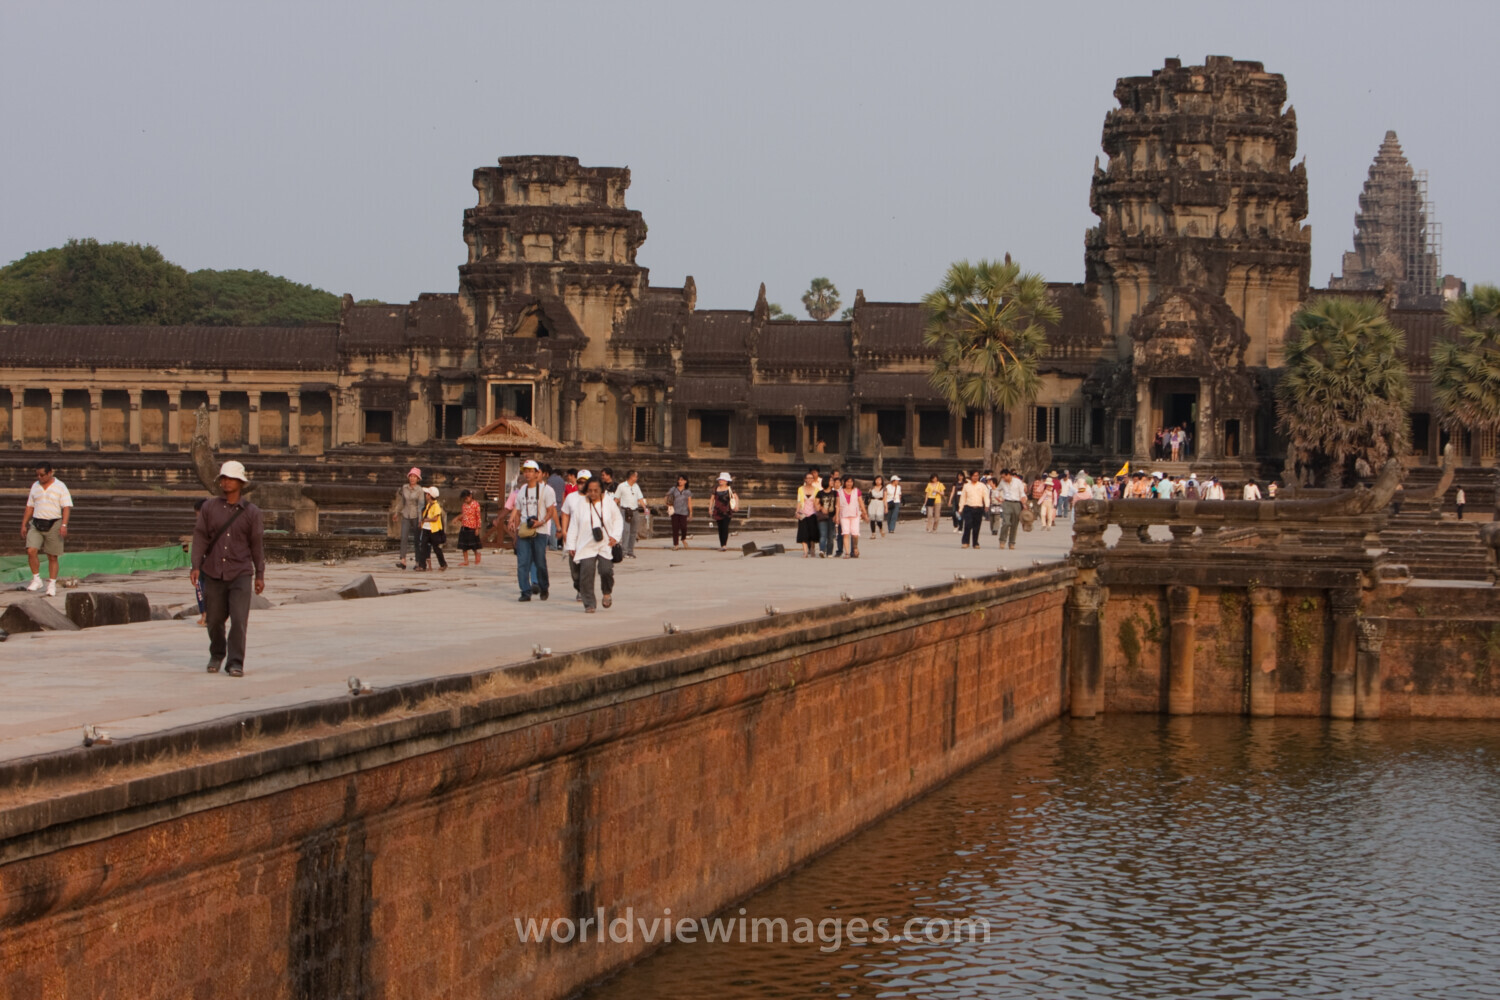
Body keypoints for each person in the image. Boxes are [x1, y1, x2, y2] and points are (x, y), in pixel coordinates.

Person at [189, 460, 265, 677]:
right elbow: (200, 537)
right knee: (213, 620)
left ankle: (235, 662)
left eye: (231, 478)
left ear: (240, 483)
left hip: (240, 571)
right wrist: (195, 566)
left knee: (239, 620)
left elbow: (256, 545)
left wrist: (260, 574)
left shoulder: (251, 512)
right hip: (213, 571)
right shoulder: (209, 508)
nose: (226, 482)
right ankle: (217, 652)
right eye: (223, 478)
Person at [565, 477, 623, 613]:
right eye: (590, 491)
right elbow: (574, 524)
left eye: (596, 490)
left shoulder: (608, 502)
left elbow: (618, 520)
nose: (593, 493)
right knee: (586, 574)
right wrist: (571, 545)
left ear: (601, 490)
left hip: (605, 544)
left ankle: (607, 592)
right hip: (586, 544)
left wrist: (615, 536)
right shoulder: (581, 503)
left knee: (606, 570)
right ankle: (589, 603)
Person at [21, 461, 73, 597]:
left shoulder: (60, 486)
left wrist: (64, 525)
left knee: (52, 556)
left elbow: (66, 507)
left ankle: (51, 584)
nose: (40, 477)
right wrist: (23, 524)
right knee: (31, 550)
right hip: (37, 522)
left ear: (50, 473)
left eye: (42, 475)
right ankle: (36, 578)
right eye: (37, 475)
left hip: (54, 522)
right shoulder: (35, 486)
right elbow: (30, 506)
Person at [510, 460, 556, 602]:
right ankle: (525, 590)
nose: (528, 474)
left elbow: (550, 511)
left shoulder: (546, 490)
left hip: (540, 530)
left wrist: (541, 522)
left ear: (537, 473)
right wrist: (515, 528)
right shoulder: (522, 489)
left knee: (540, 561)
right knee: (522, 562)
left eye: (531, 471)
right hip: (524, 530)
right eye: (526, 471)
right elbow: (518, 511)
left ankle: (543, 586)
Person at [389, 467, 424, 569]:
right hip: (406, 514)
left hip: (416, 515)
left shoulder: (420, 490)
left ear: (418, 479)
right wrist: (396, 512)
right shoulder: (404, 488)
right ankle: (403, 560)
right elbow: (402, 502)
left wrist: (420, 519)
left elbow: (421, 505)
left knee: (417, 540)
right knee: (404, 537)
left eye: (414, 477)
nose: (412, 479)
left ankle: (418, 562)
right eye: (411, 476)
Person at [614, 469, 645, 557]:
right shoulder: (621, 486)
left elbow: (640, 498)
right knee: (626, 530)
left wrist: (645, 507)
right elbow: (616, 499)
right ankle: (624, 551)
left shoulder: (636, 486)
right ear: (631, 477)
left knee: (633, 531)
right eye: (636, 476)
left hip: (634, 510)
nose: (636, 478)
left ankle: (630, 551)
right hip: (625, 510)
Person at [416, 486, 448, 571]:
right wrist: (422, 522)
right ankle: (422, 565)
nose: (426, 495)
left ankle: (443, 564)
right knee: (423, 546)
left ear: (430, 496)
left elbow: (435, 518)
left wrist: (426, 520)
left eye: (427, 494)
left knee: (436, 548)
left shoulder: (436, 506)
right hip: (426, 528)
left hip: (434, 530)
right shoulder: (428, 505)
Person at [836, 475, 868, 558]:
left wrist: (865, 513)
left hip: (855, 515)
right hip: (844, 515)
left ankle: (855, 548)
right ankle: (847, 552)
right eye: (847, 482)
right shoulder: (840, 492)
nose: (849, 483)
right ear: (844, 482)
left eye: (851, 481)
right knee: (845, 533)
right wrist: (837, 516)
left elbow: (861, 503)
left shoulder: (857, 491)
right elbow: (838, 505)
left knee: (855, 533)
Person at [958, 470, 988, 548]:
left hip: (978, 508)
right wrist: (960, 508)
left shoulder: (982, 486)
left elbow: (986, 496)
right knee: (967, 524)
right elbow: (963, 498)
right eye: (974, 476)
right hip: (968, 507)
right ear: (971, 477)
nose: (976, 477)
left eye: (977, 475)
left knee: (976, 526)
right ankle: (965, 542)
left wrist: (987, 505)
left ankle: (975, 543)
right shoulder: (966, 486)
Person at [795, 470, 821, 557]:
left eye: (811, 478)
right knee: (803, 533)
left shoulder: (816, 490)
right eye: (808, 478)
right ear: (805, 479)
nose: (809, 480)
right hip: (803, 513)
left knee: (812, 533)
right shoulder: (800, 489)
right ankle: (805, 551)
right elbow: (799, 501)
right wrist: (797, 511)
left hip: (813, 513)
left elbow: (817, 502)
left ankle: (812, 548)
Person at [998, 468, 1026, 550]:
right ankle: (1002, 541)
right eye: (1002, 477)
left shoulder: (1017, 482)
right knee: (1006, 522)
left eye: (1004, 477)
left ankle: (1012, 542)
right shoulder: (1002, 482)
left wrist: (1024, 501)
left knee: (1014, 524)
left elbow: (1022, 493)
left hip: (1016, 503)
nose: (1003, 479)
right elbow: (997, 490)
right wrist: (999, 497)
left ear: (1009, 475)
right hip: (1006, 503)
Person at [710, 473, 738, 551]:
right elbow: (712, 499)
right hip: (717, 511)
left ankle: (724, 545)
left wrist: (736, 505)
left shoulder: (730, 489)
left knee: (725, 527)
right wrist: (710, 508)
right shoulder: (715, 488)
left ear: (727, 481)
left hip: (727, 511)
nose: (721, 481)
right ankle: (722, 544)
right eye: (720, 480)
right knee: (720, 528)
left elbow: (735, 497)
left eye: (723, 480)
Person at [457, 489, 483, 565]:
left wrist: (477, 528)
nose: (466, 500)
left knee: (473, 545)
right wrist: (458, 519)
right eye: (464, 499)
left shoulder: (476, 505)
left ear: (470, 496)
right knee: (464, 546)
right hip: (464, 526)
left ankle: (477, 555)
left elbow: (478, 517)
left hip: (472, 527)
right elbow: (464, 515)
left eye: (467, 498)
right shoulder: (464, 505)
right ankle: (466, 560)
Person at [665, 476, 692, 549]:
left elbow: (689, 503)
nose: (680, 481)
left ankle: (683, 538)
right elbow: (667, 495)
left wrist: (691, 513)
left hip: (684, 512)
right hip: (675, 511)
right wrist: (667, 504)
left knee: (684, 527)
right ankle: (676, 544)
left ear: (685, 481)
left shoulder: (687, 491)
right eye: (679, 480)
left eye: (682, 480)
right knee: (675, 528)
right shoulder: (673, 489)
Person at [867, 475, 888, 539]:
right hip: (872, 503)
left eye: (879, 480)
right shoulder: (872, 488)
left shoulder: (884, 489)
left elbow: (885, 498)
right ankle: (873, 533)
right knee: (872, 519)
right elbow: (869, 497)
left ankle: (881, 528)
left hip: (880, 503)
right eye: (877, 480)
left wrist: (886, 507)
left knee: (879, 519)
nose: (878, 481)